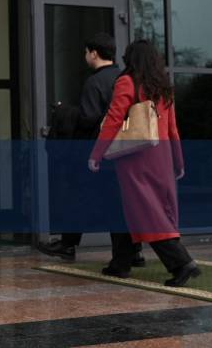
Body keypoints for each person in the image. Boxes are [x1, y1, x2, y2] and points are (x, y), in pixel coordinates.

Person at [88, 40, 200, 287]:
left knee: (148, 211)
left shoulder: (127, 82)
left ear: (130, 59)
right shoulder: (163, 87)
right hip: (162, 156)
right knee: (129, 209)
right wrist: (179, 161)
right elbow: (173, 129)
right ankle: (120, 264)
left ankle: (182, 263)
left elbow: (114, 120)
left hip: (136, 158)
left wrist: (96, 154)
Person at [37, 33, 143, 266]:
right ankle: (133, 252)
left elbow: (88, 119)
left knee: (78, 199)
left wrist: (63, 112)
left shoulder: (95, 82)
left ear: (94, 53)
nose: (85, 56)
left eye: (86, 52)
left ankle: (68, 245)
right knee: (120, 205)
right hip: (123, 152)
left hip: (98, 152)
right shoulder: (124, 78)